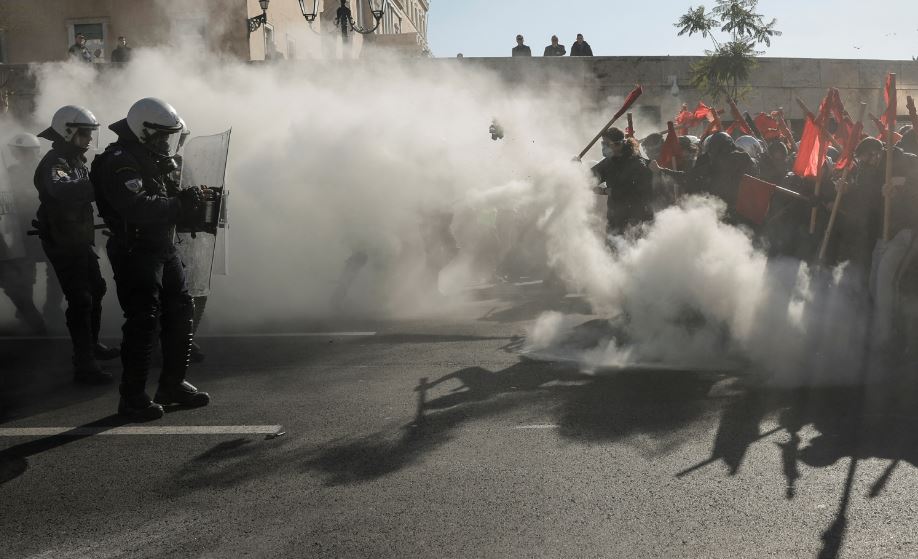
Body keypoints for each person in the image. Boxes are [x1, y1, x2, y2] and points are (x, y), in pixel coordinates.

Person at [91, 97, 211, 420]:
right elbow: (138, 207)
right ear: (144, 131)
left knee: (180, 312)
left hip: (162, 246)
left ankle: (171, 384)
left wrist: (192, 202)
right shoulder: (120, 160)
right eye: (161, 135)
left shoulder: (150, 157)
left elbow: (166, 200)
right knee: (143, 322)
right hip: (136, 251)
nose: (166, 142)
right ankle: (132, 397)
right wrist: (178, 204)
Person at [34, 106, 119, 384]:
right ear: (67, 131)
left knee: (97, 289)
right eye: (84, 134)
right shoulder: (55, 161)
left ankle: (91, 345)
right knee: (81, 299)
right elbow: (63, 190)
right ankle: (84, 363)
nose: (88, 140)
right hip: (62, 240)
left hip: (78, 237)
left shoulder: (75, 159)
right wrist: (101, 183)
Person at [1, 133, 46, 334]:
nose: (18, 155)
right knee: (23, 271)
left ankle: (50, 310)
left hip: (42, 228)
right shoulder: (11, 172)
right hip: (20, 230)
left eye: (22, 151)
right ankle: (27, 315)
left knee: (55, 271)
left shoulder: (45, 169)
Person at [591, 127, 653, 236]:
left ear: (618, 144)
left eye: (606, 143)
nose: (604, 147)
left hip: (636, 218)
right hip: (615, 219)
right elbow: (591, 177)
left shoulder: (637, 163)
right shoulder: (608, 162)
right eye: (602, 143)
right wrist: (576, 169)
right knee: (613, 248)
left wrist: (609, 191)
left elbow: (640, 190)